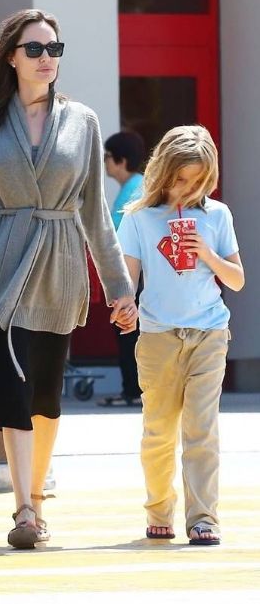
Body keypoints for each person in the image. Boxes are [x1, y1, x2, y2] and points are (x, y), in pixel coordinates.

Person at [0, 8, 137, 549]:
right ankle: (25, 510)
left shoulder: (81, 120)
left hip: (58, 263)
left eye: (54, 50)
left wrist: (119, 287)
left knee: (46, 394)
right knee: (12, 389)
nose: (45, 59)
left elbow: (93, 212)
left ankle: (35, 496)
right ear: (11, 56)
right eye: (34, 49)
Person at [117, 125, 244, 545]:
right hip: (158, 336)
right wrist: (124, 304)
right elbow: (127, 277)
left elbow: (238, 280)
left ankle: (204, 517)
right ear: (162, 171)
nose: (187, 189)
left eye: (198, 181)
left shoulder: (217, 216)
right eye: (180, 178)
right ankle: (158, 510)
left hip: (209, 332)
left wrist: (206, 253)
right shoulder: (138, 216)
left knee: (202, 429)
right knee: (158, 430)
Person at [98, 131, 145, 407]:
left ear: (121, 160)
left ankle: (134, 390)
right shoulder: (132, 187)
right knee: (127, 332)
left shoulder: (136, 189)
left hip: (135, 276)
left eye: (107, 157)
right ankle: (131, 389)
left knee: (130, 333)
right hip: (126, 275)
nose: (104, 163)